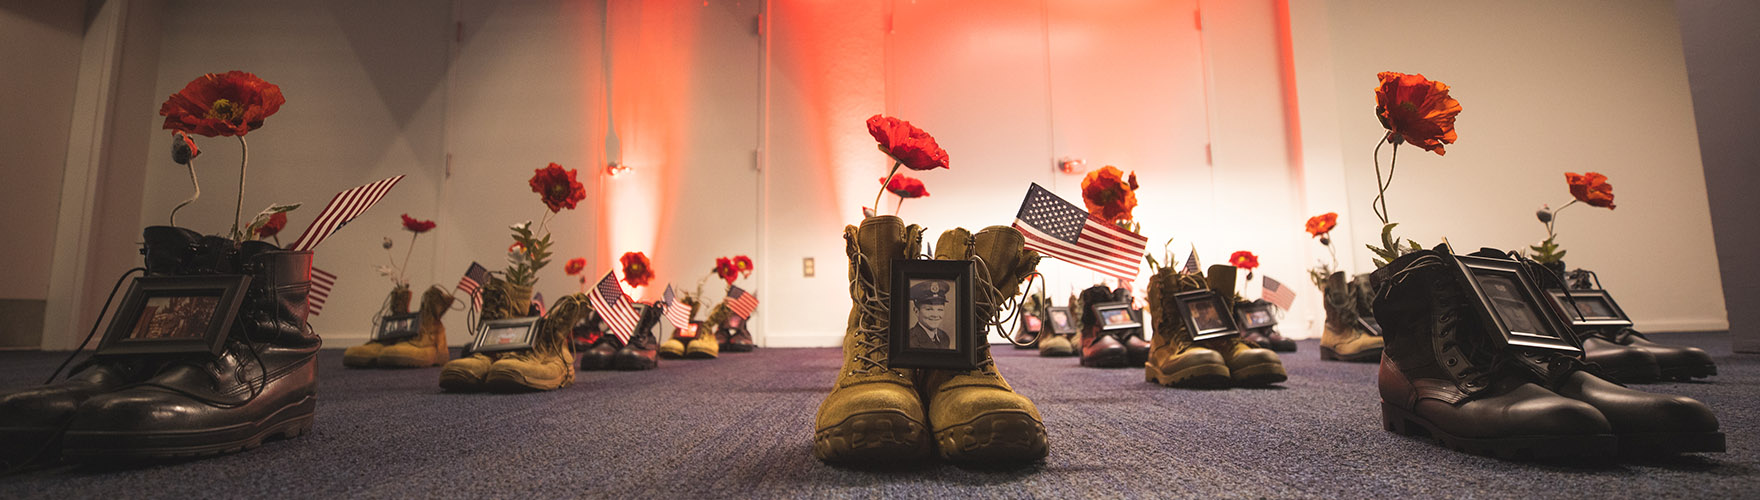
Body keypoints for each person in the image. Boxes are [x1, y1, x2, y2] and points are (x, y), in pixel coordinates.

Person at [908, 280, 954, 350]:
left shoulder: (944, 337)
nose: (935, 315)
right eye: (929, 309)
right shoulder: (910, 340)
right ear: (916, 311)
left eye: (940, 310)